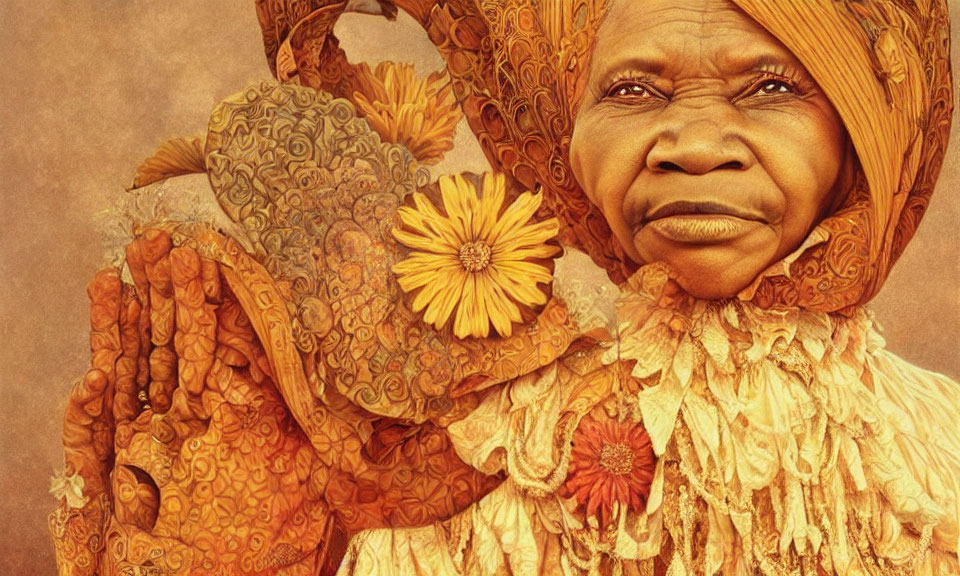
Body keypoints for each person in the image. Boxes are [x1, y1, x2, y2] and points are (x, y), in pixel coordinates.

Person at [50, 0, 959, 574]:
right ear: (566, 141)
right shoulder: (484, 458)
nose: (691, 143)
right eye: (634, 92)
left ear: (870, 135)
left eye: (768, 85)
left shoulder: (941, 464)